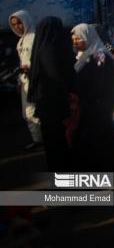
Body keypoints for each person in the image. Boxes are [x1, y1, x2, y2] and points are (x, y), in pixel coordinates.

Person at [70, 23, 114, 173]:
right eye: (73, 39)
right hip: (92, 107)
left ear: (88, 37)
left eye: (78, 39)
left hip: (102, 107)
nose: (75, 43)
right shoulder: (84, 56)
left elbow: (100, 84)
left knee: (104, 141)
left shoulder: (100, 55)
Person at [27, 17, 75, 171]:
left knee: (52, 142)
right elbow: (57, 78)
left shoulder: (41, 48)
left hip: (45, 103)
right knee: (58, 142)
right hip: (54, 104)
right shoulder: (51, 49)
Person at [9, 10, 43, 150]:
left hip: (34, 79)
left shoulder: (34, 37)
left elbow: (38, 60)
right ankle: (37, 140)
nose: (17, 27)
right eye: (14, 24)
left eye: (19, 23)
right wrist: (19, 81)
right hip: (25, 80)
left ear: (26, 21)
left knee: (33, 111)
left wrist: (28, 68)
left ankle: (41, 141)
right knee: (27, 112)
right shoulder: (21, 41)